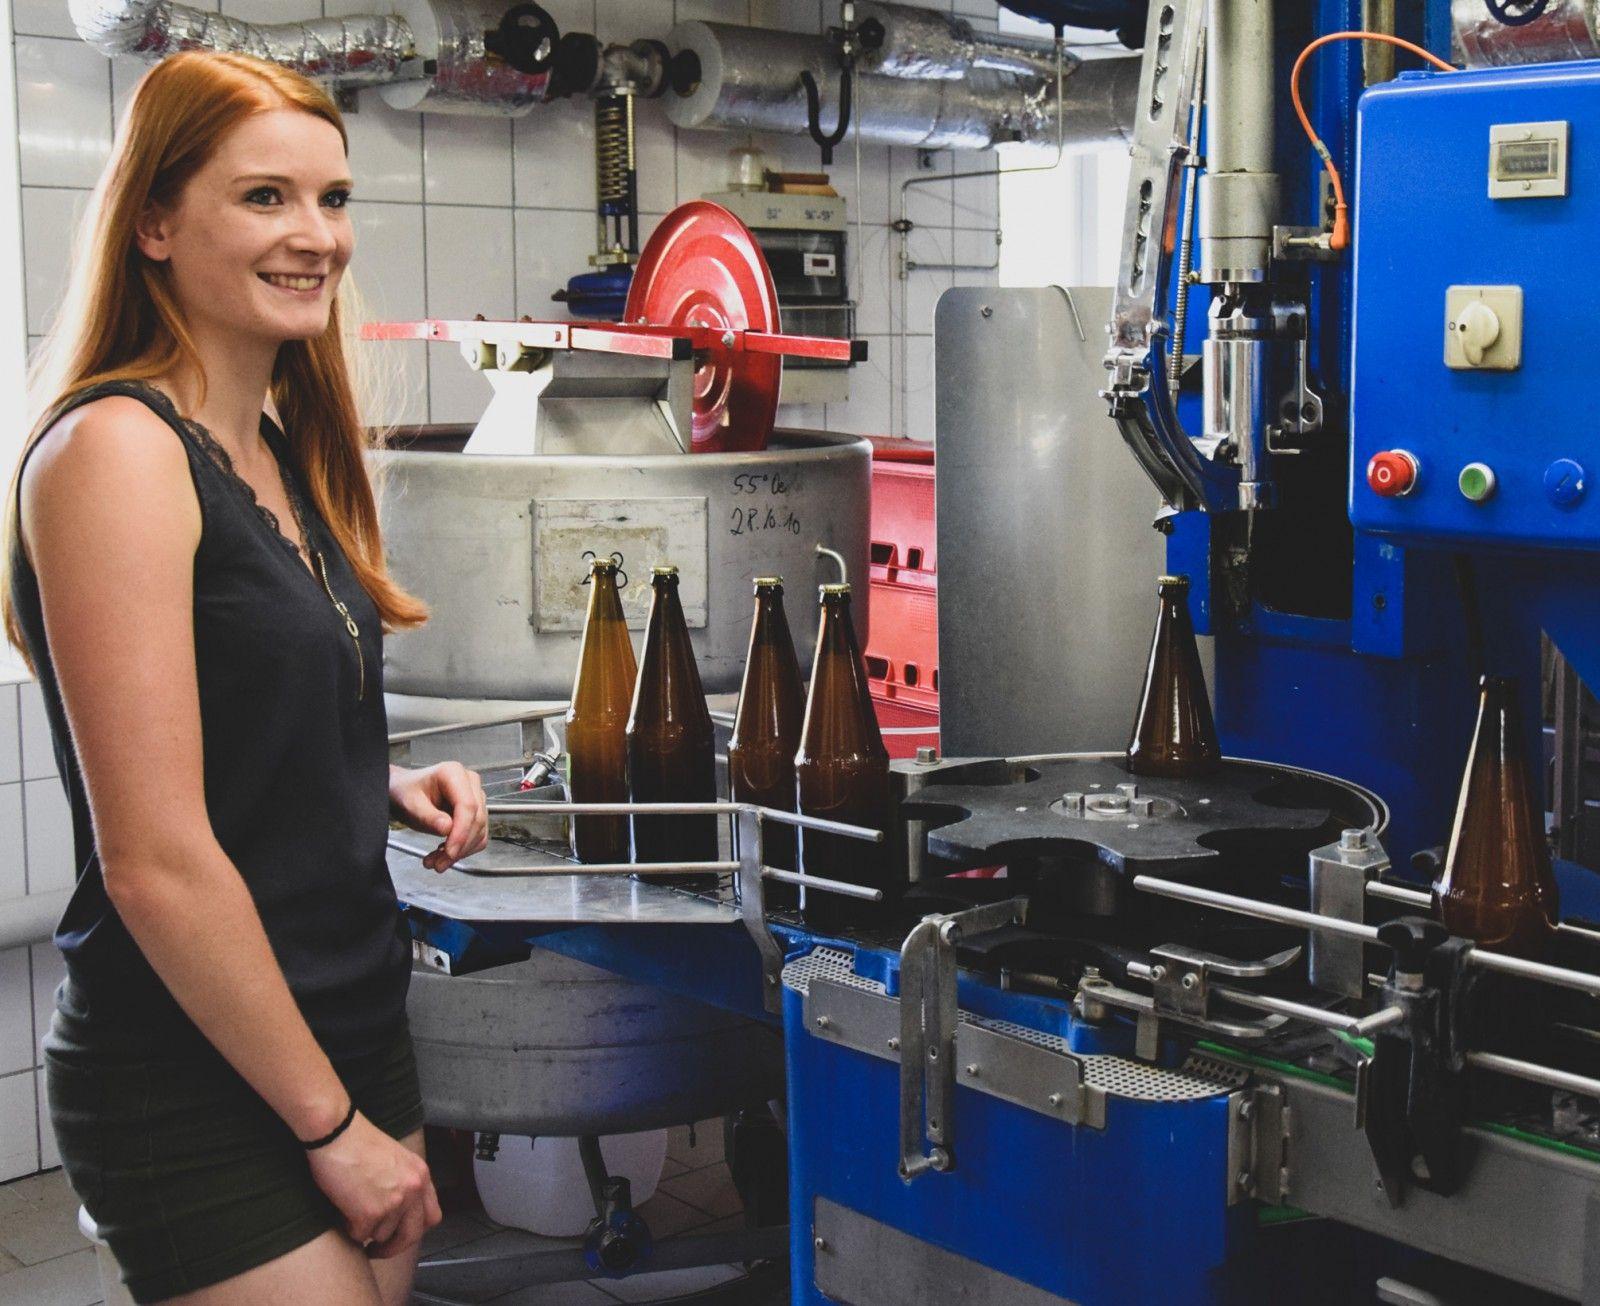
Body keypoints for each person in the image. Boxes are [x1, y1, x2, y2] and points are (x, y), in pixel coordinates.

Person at [1, 51, 488, 1305]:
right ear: (154, 223)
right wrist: (330, 1129)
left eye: (333, 198)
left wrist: (373, 781)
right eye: (264, 196)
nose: (315, 235)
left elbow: (235, 720)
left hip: (347, 1017)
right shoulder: (117, 451)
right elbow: (153, 860)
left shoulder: (270, 445)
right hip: (196, 1066)